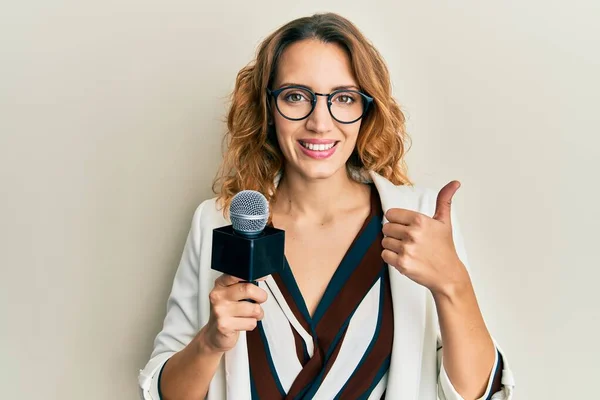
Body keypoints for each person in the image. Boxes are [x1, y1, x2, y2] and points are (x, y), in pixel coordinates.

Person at [138, 12, 515, 400]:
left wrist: (453, 283)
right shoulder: (215, 220)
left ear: (366, 110)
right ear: (267, 108)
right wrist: (211, 342)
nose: (320, 122)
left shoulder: (418, 221)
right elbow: (165, 394)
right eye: (296, 96)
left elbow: (475, 394)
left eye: (344, 98)